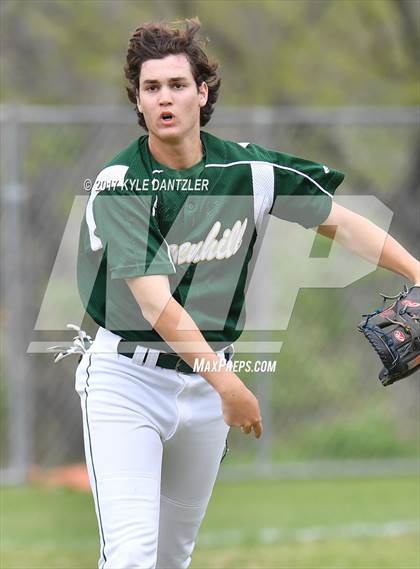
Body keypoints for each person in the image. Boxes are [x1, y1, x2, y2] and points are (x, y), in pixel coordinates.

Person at [74, 18, 419, 569]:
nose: (165, 98)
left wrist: (417, 273)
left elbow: (341, 222)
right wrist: (229, 385)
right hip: (127, 383)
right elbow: (155, 303)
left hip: (207, 387)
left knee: (171, 556)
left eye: (178, 85)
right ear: (137, 103)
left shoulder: (250, 172)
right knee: (132, 554)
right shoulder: (123, 183)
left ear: (202, 92)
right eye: (151, 88)